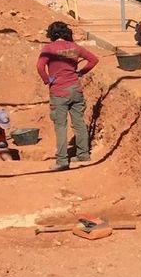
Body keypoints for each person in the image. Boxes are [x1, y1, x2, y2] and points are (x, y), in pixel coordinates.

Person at [36, 21, 99, 171]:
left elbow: (39, 66)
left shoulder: (49, 48)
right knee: (79, 123)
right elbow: (94, 60)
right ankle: (83, 154)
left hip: (59, 92)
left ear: (51, 34)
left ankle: (62, 160)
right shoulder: (75, 47)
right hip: (76, 90)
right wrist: (81, 73)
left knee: (60, 126)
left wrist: (47, 80)